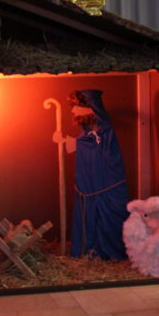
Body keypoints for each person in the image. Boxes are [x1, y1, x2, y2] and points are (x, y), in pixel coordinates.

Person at [53, 90, 129, 260]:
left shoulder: (105, 132)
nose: (73, 111)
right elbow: (84, 145)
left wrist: (67, 141)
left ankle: (107, 253)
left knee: (106, 218)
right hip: (89, 186)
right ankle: (89, 250)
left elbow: (96, 150)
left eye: (76, 106)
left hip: (105, 184)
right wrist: (63, 141)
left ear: (90, 108)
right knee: (89, 215)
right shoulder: (87, 133)